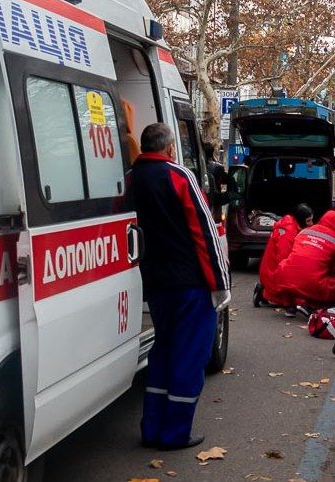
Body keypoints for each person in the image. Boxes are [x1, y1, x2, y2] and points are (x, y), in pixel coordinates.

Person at [125, 123, 231, 451]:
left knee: (163, 352)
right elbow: (204, 232)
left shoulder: (131, 178)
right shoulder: (178, 175)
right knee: (189, 357)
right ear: (170, 148)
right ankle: (175, 434)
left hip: (155, 284)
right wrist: (220, 284)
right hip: (190, 284)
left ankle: (152, 428)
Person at [270, 210, 335, 309]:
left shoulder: (303, 231)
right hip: (312, 284)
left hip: (284, 278)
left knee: (289, 268)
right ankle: (315, 304)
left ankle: (290, 304)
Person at [256, 203, 315, 307]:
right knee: (298, 301)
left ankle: (265, 291)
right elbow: (284, 261)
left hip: (270, 271)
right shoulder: (289, 232)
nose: (311, 224)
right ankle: (264, 292)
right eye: (308, 221)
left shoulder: (289, 225)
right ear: (301, 220)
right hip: (273, 273)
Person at [202, 141, 228, 220]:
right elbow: (228, 180)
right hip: (215, 203)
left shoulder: (196, 168)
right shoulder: (217, 167)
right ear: (212, 152)